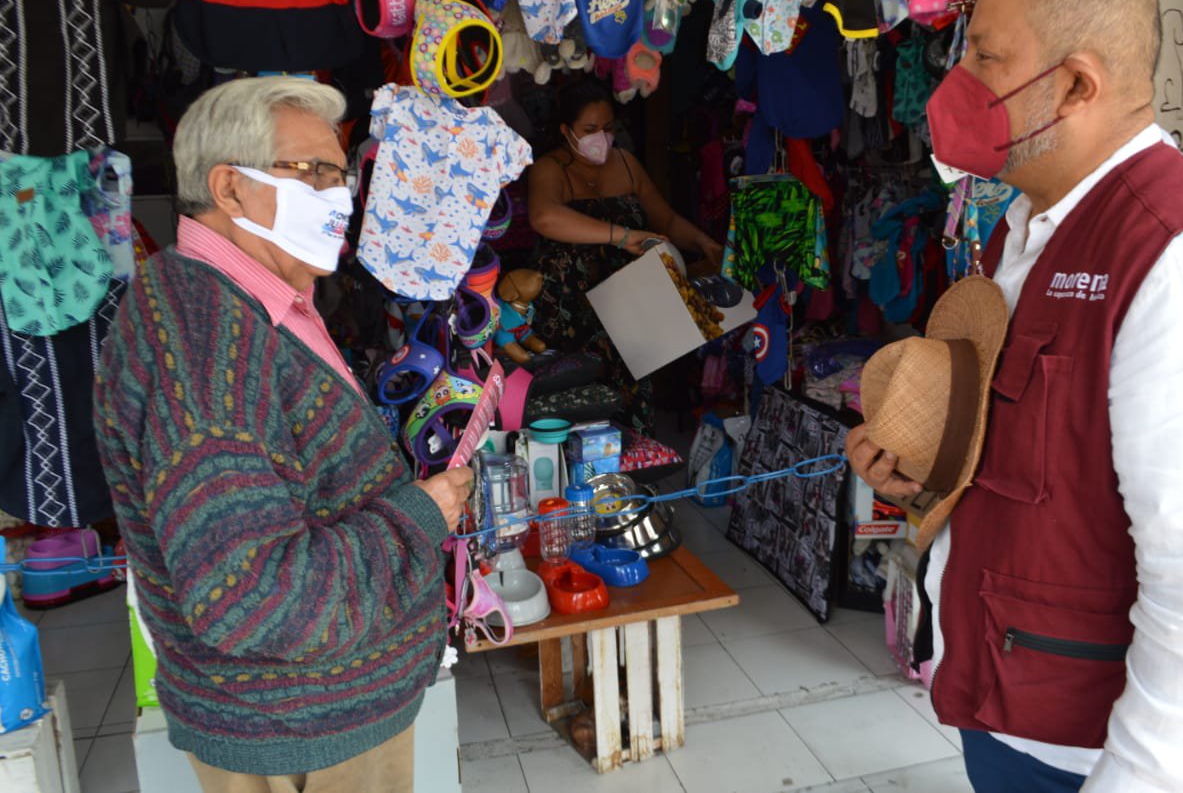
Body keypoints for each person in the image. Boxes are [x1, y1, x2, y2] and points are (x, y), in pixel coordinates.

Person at [845, 0, 1183, 791]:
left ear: (1077, 85)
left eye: (985, 57)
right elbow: (1046, 465)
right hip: (1006, 705)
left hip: (1101, 755)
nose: (956, 82)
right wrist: (926, 476)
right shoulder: (1024, 231)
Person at [93, 77, 473, 792]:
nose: (341, 197)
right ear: (229, 188)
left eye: (343, 175)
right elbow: (251, 595)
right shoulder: (209, 348)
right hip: (303, 737)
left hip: (311, 715)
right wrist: (420, 516)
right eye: (315, 173)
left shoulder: (249, 299)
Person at [527, 79, 724, 432]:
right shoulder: (550, 168)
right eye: (589, 130)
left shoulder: (626, 163)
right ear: (565, 130)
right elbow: (544, 217)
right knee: (575, 411)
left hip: (629, 313)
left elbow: (666, 220)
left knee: (627, 406)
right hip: (571, 314)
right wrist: (623, 236)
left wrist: (702, 242)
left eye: (607, 128)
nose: (601, 137)